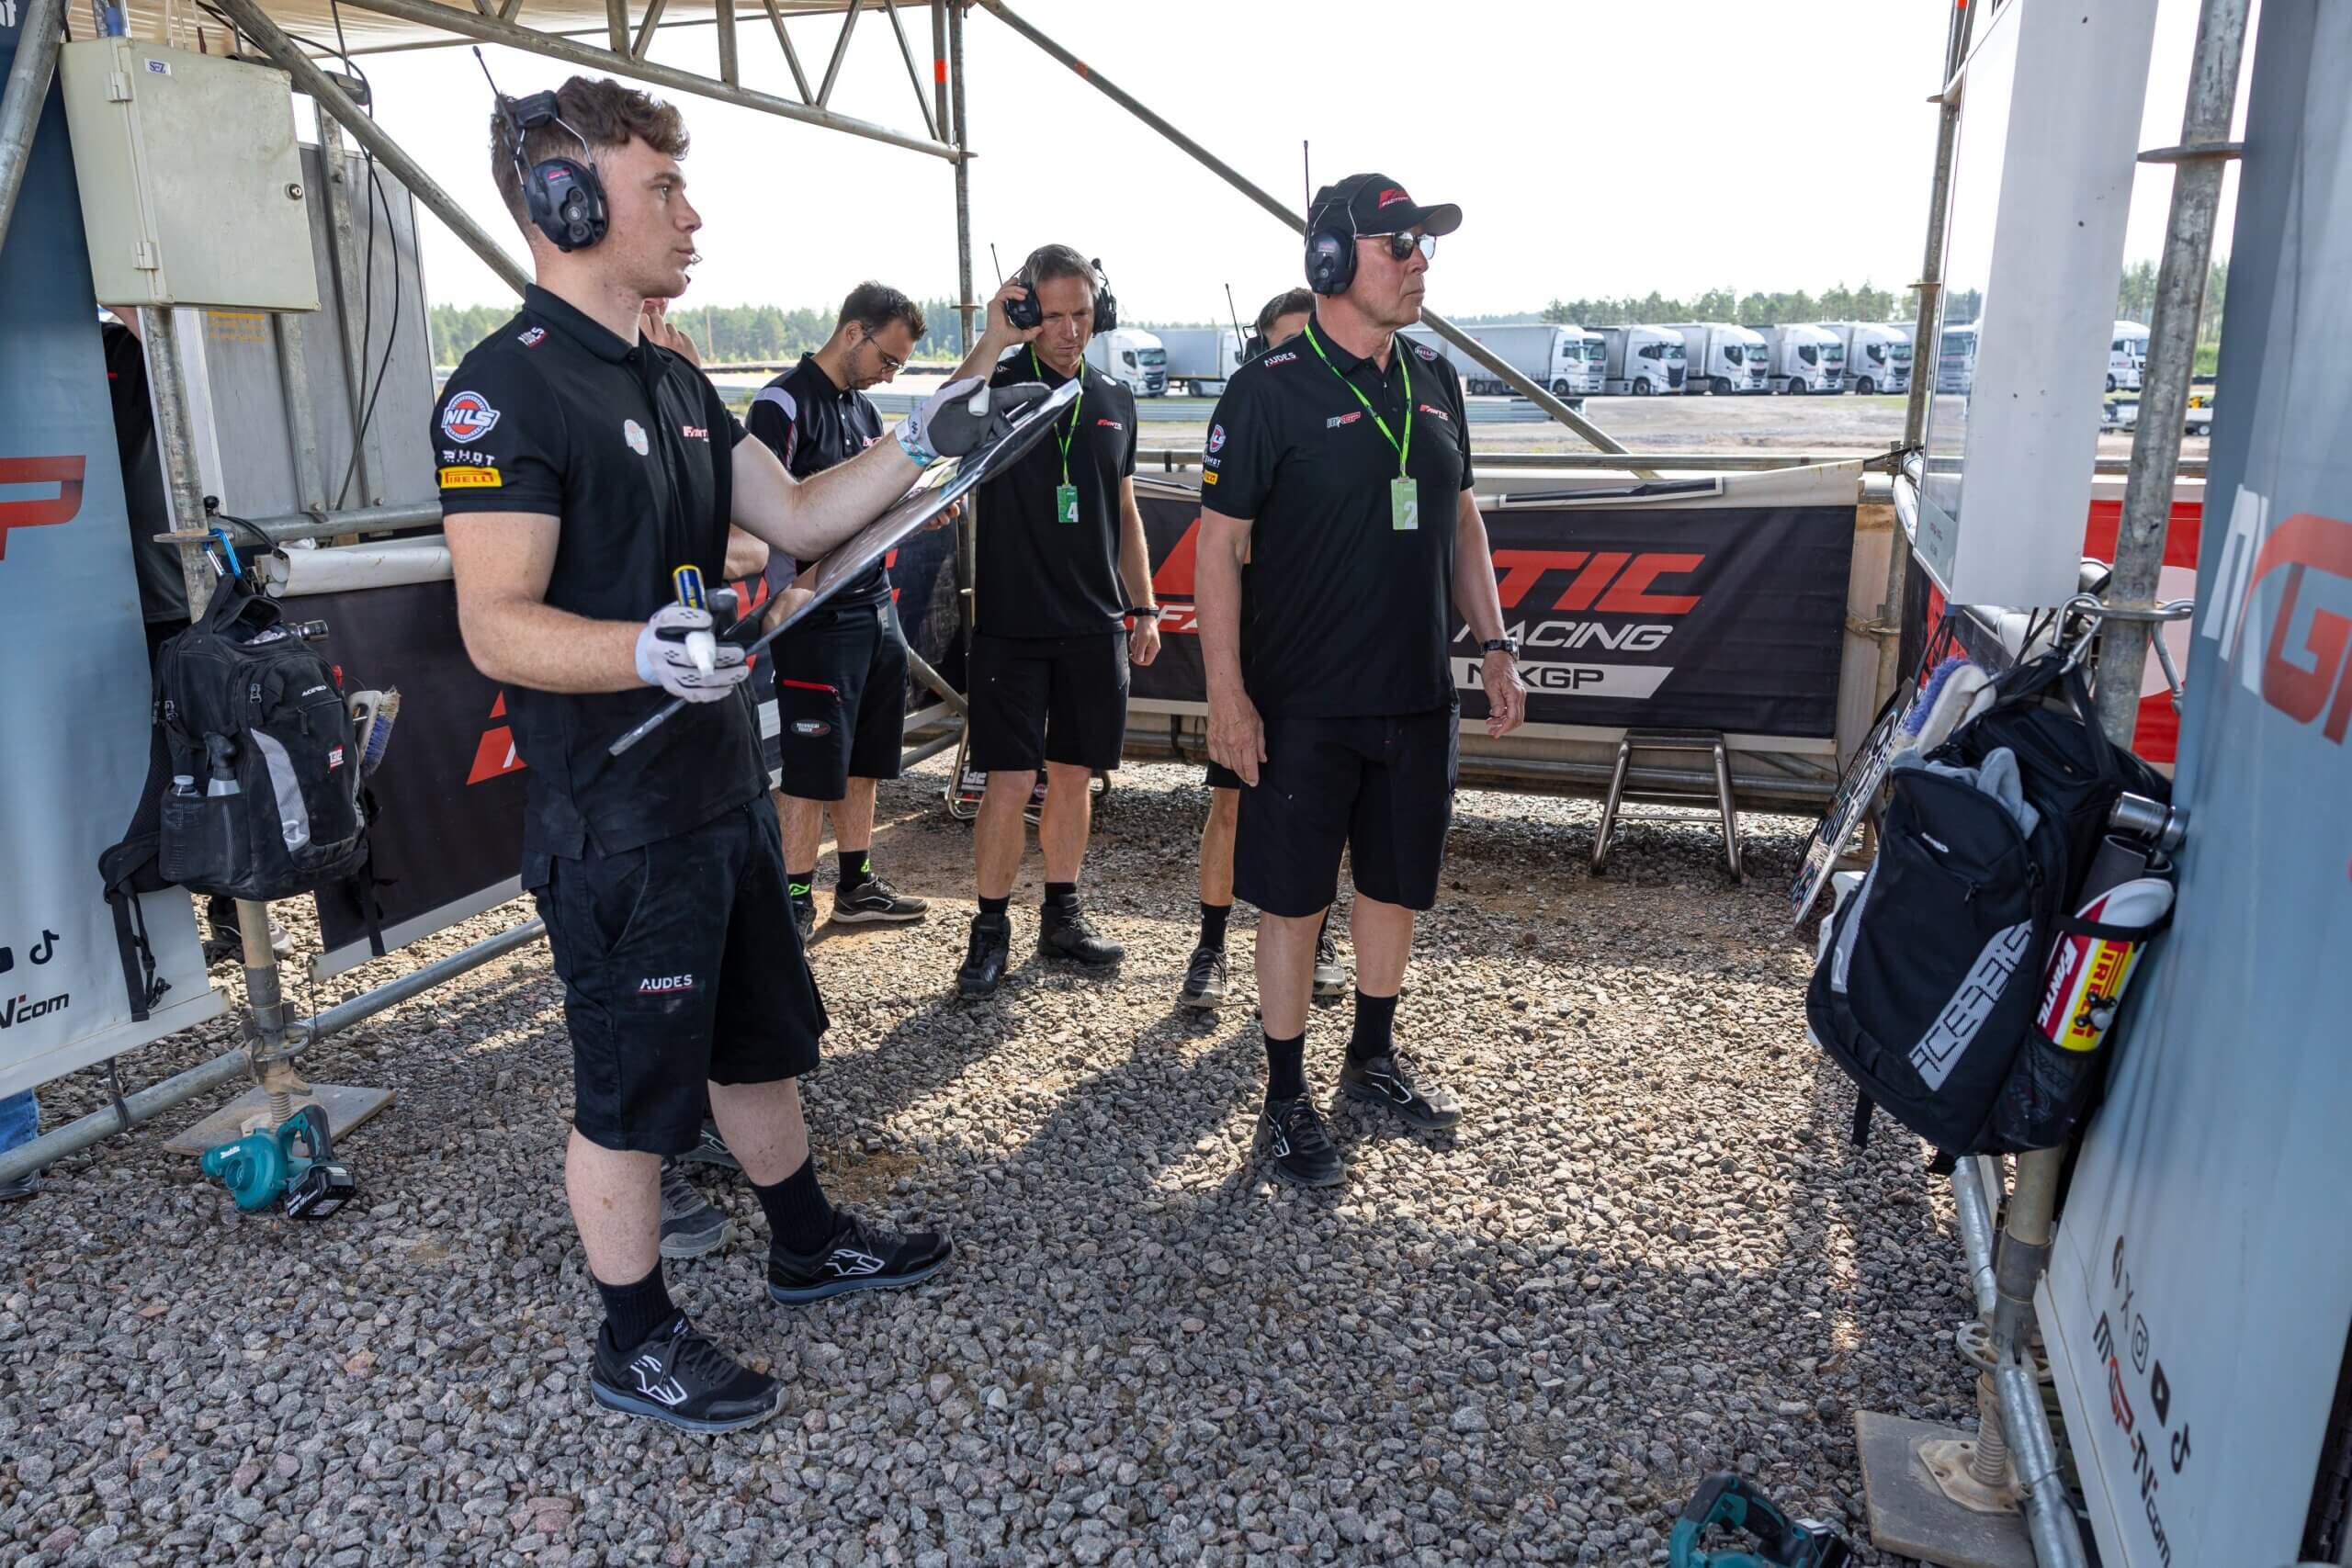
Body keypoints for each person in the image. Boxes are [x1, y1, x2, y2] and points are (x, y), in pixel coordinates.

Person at [435, 74, 1040, 1432]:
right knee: (630, 1094)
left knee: (757, 1041)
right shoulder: (502, 392)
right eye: (662, 188)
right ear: (565, 201)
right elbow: (493, 623)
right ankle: (634, 1337)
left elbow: (805, 516)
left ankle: (805, 1240)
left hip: (715, 790)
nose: (691, 215)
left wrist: (929, 432)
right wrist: (643, 650)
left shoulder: (672, 377)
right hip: (617, 818)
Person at [1196, 174, 1527, 1188]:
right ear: (1332, 261)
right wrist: (1226, 695)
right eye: (1399, 245)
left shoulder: (1434, 377)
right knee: (1293, 904)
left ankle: (1372, 1057)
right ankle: (1283, 1097)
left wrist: (1495, 642)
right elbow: (1218, 549)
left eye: (1424, 244)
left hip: (1416, 697)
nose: (1420, 263)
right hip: (1302, 705)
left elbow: (1461, 519)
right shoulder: (1267, 390)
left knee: (1393, 888)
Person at [946, 245, 1161, 999]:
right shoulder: (997, 384)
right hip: (1011, 626)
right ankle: (989, 929)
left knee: (1073, 777)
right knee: (1008, 782)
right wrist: (992, 337)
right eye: (1057, 314)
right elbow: (942, 420)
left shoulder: (1116, 397)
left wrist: (1143, 605)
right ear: (1030, 312)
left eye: (1084, 313)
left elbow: (1126, 510)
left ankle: (1062, 916)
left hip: (1095, 624)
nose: (1072, 330)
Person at [745, 284, 933, 940]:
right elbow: (761, 513)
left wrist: (918, 508)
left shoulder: (864, 409)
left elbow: (871, 508)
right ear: (854, 333)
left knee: (866, 757)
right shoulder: (780, 403)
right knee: (809, 765)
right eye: (889, 359)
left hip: (874, 603)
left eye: (900, 366)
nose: (891, 375)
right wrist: (789, 591)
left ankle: (856, 885)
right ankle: (795, 898)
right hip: (812, 614)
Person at [1180, 287, 1348, 1011]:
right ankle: (1212, 945)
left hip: (1328, 653)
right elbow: (1228, 542)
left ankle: (1318, 935)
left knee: (1327, 809)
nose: (1303, 359)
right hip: (1254, 644)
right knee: (1231, 804)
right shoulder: (1251, 408)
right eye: (1287, 345)